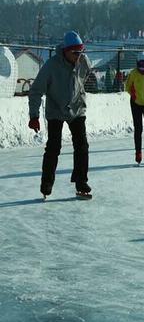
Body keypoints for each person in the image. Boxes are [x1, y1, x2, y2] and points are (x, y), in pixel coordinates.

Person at [28, 31, 93, 200]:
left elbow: (84, 77)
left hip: (77, 108)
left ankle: (81, 182)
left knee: (82, 145)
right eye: (75, 53)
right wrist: (34, 116)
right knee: (54, 147)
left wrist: (77, 93)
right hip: (56, 109)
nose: (79, 56)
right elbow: (35, 91)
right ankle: (46, 184)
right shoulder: (51, 66)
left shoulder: (84, 61)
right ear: (65, 50)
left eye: (81, 52)